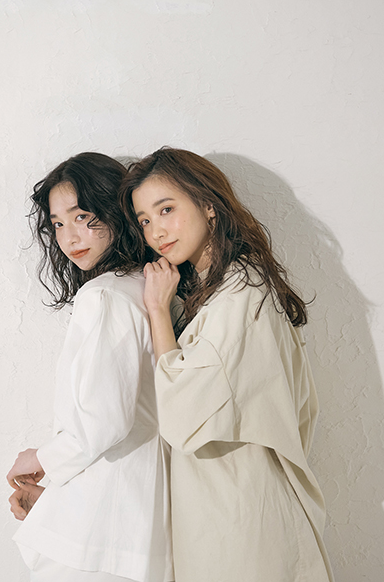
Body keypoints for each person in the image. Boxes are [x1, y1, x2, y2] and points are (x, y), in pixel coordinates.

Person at [122, 147, 334, 582]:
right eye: (144, 220)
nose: (156, 231)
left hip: (242, 515)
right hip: (226, 507)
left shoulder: (241, 295)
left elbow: (182, 416)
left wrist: (157, 310)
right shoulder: (221, 290)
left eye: (166, 209)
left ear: (208, 205)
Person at [6, 152, 171, 582]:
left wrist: (40, 457)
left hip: (106, 522)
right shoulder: (144, 286)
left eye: (82, 217)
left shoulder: (105, 296)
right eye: (58, 224)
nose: (70, 237)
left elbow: (105, 421)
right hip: (139, 509)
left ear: (115, 210)